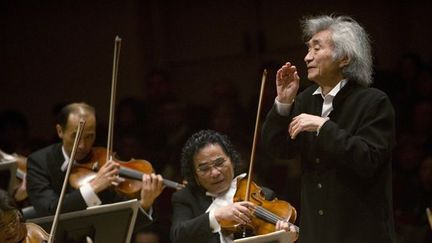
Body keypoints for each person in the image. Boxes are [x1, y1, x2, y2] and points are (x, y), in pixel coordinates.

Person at [261, 15, 396, 243]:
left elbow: (368, 158)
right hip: (316, 233)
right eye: (307, 49)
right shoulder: (305, 101)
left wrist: (323, 126)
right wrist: (283, 103)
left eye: (316, 49)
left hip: (361, 233)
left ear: (344, 57)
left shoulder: (374, 102)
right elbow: (278, 149)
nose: (307, 57)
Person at [26, 102, 164, 230]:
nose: (82, 145)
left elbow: (123, 223)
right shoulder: (39, 162)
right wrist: (94, 186)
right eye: (75, 136)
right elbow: (48, 211)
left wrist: (145, 203)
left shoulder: (103, 160)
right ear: (60, 131)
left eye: (89, 136)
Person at [170, 129, 296, 243]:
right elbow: (178, 235)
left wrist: (282, 237)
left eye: (219, 163)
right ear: (194, 175)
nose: (215, 173)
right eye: (204, 169)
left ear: (232, 160)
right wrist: (217, 215)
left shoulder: (263, 195)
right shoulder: (186, 197)